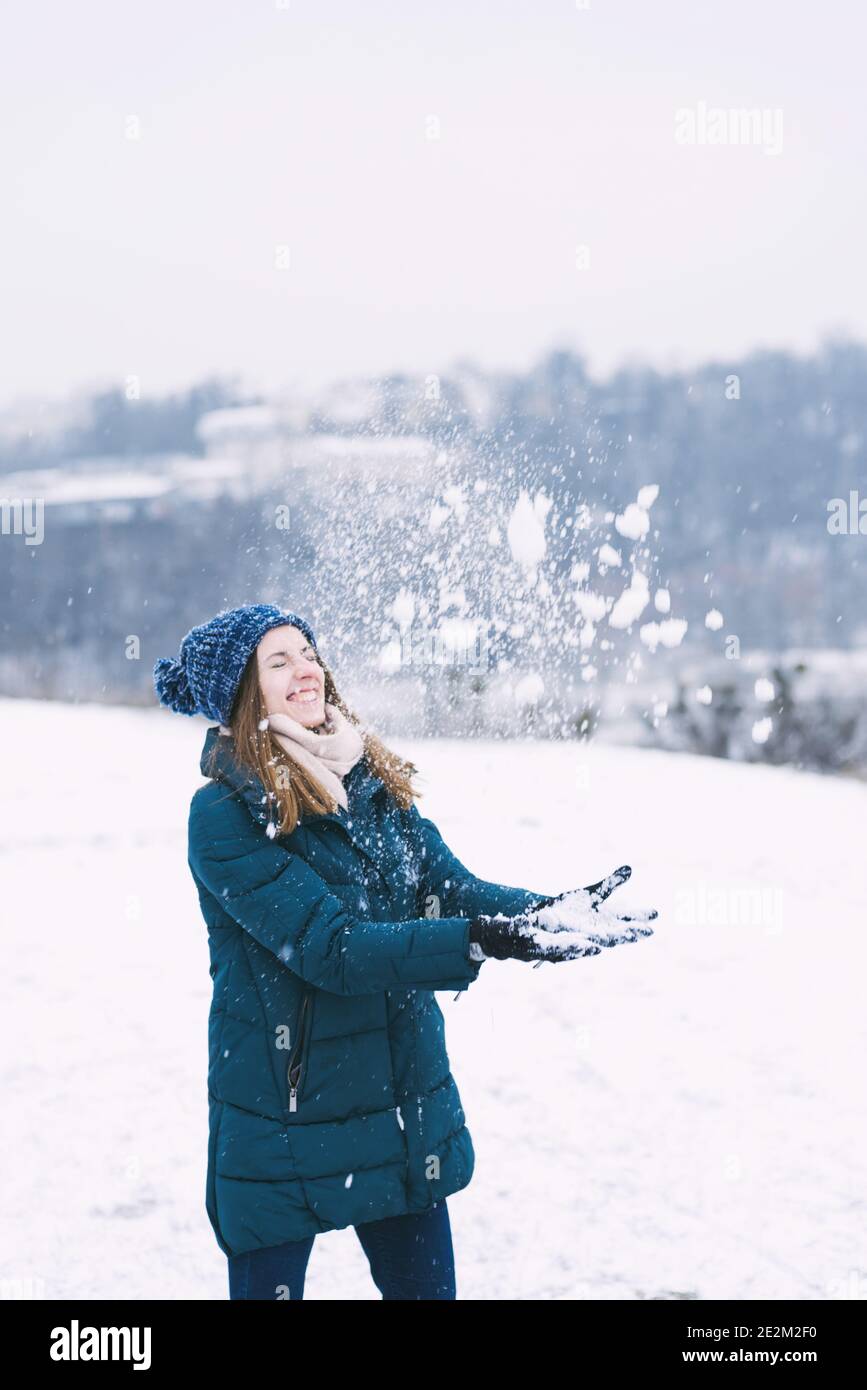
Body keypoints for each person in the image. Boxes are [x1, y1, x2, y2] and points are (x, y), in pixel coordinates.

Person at [153, 603, 656, 1299]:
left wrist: (541, 915)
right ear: (244, 693)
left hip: (396, 1097)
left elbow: (446, 887)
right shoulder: (224, 814)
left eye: (307, 651)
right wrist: (479, 942)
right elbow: (334, 950)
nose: (305, 669)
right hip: (285, 1111)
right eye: (278, 661)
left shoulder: (369, 782)